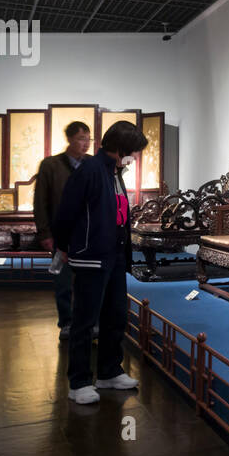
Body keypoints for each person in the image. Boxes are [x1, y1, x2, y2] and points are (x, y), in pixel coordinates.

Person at [52, 121, 148, 405]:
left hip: (115, 255)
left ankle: (109, 372)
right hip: (92, 255)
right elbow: (66, 211)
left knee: (115, 316)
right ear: (120, 148)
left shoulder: (114, 172)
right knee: (85, 321)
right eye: (133, 151)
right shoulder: (91, 170)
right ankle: (79, 381)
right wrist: (64, 246)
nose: (136, 156)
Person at [34, 120, 92, 339]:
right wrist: (44, 233)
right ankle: (67, 323)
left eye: (88, 139)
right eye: (81, 138)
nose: (85, 143)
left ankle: (88, 322)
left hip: (88, 233)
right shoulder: (51, 165)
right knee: (64, 281)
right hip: (62, 234)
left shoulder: (91, 164)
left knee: (88, 281)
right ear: (69, 139)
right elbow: (40, 201)